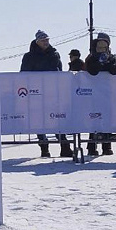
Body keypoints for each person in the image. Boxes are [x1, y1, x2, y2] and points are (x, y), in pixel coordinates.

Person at [20, 30, 72, 158]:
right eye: (43, 40)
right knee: (39, 121)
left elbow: (59, 71)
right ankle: (44, 148)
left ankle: (64, 146)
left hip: (52, 93)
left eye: (47, 40)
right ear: (37, 41)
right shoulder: (29, 56)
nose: (46, 42)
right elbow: (24, 74)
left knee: (57, 119)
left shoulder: (54, 54)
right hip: (35, 93)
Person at [84, 32, 116, 156]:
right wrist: (99, 62)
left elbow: (115, 71)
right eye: (99, 47)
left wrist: (109, 61)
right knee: (94, 119)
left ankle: (106, 145)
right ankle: (91, 146)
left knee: (107, 118)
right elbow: (92, 71)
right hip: (92, 94)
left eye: (104, 47)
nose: (102, 49)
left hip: (107, 94)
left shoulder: (112, 57)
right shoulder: (90, 58)